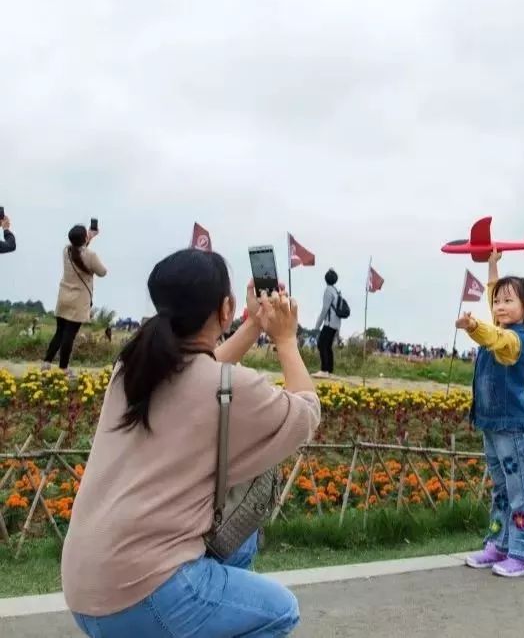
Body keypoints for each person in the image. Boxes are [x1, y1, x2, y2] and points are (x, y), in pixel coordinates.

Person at [61, 248, 320, 637]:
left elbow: (205, 367)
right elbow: (306, 414)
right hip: (143, 595)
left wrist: (251, 326)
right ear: (225, 308)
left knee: (242, 543)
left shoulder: (130, 369)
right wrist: (285, 339)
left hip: (84, 589)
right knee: (281, 610)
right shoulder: (231, 387)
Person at [457, 249, 524, 578]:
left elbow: (493, 335)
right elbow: (493, 291)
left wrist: (473, 325)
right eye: (497, 302)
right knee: (501, 489)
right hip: (491, 424)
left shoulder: (513, 339)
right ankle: (500, 544)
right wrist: (493, 262)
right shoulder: (498, 326)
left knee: (519, 490)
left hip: (513, 427)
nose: (500, 306)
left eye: (509, 301)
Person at [43, 225, 107, 376]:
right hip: (78, 301)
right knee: (69, 335)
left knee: (60, 332)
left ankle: (46, 363)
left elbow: (79, 252)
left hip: (64, 297)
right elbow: (102, 272)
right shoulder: (91, 255)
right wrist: (88, 241)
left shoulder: (66, 251)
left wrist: (89, 238)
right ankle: (64, 368)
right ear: (84, 238)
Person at [314, 268, 341, 375]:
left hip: (329, 323)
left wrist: (317, 325)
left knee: (321, 344)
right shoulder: (336, 291)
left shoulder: (328, 290)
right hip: (336, 323)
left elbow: (325, 309)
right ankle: (329, 370)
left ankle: (324, 370)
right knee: (328, 346)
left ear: (326, 279)